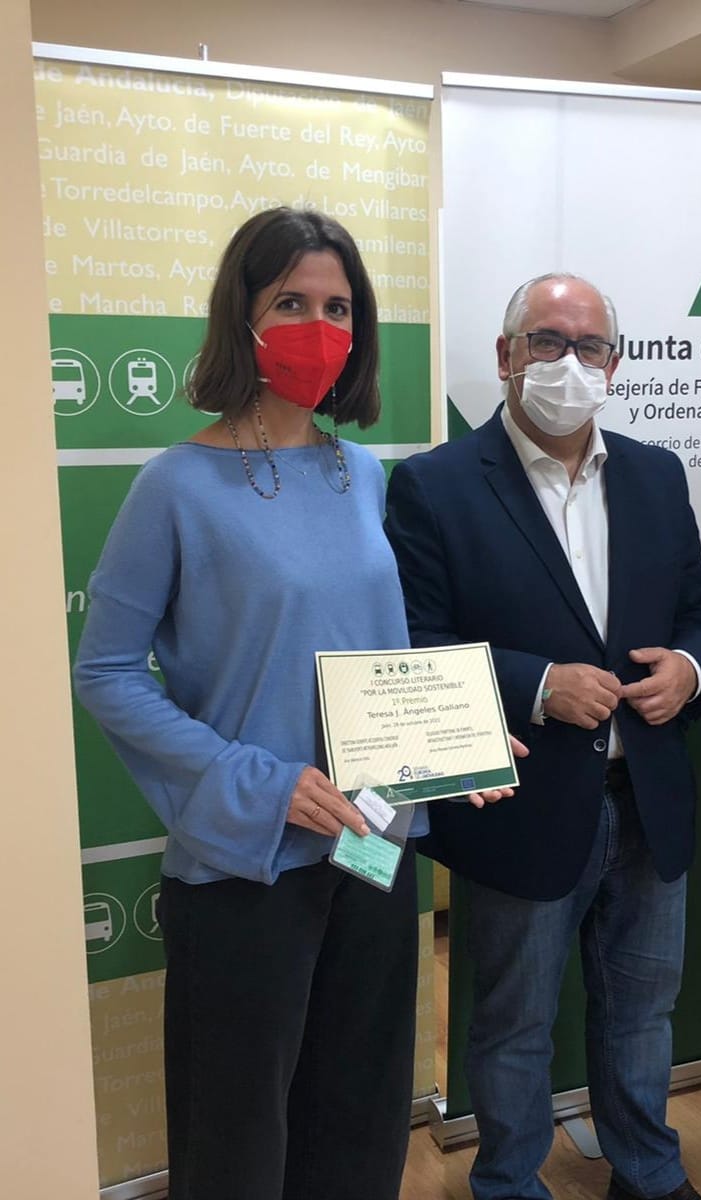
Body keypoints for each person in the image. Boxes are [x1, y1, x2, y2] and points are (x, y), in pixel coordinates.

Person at [73, 206, 519, 1200]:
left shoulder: (362, 475)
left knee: (361, 1111)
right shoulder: (174, 488)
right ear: (241, 316)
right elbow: (104, 672)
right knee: (236, 1134)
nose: (318, 327)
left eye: (338, 308)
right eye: (291, 303)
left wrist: (452, 742)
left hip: (372, 846)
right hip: (248, 858)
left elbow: (382, 651)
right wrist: (257, 781)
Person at [385, 273, 701, 1200]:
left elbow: (699, 610)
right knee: (512, 1027)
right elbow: (414, 643)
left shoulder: (656, 475)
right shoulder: (435, 485)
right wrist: (534, 685)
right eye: (547, 341)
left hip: (647, 797)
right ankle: (507, 1182)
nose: (569, 362)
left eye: (589, 346)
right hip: (521, 803)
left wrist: (689, 670)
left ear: (615, 364)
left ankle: (647, 1172)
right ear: (505, 355)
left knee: (642, 1014)